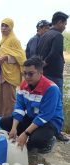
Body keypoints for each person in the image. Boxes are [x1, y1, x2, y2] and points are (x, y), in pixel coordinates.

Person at [0, 56, 63, 153]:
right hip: (32, 117)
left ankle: (49, 140)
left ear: (40, 73)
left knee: (36, 141)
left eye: (31, 74)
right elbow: (19, 107)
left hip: (49, 121)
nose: (27, 77)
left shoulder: (51, 89)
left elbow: (45, 116)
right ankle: (27, 134)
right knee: (4, 122)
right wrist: (13, 128)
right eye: (24, 74)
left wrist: (26, 133)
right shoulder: (24, 85)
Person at [36, 11, 69, 141]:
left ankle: (43, 127)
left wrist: (41, 66)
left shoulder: (44, 35)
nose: (65, 27)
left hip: (44, 76)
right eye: (65, 24)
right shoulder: (58, 36)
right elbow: (55, 53)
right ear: (59, 22)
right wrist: (44, 63)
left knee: (44, 102)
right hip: (54, 76)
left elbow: (38, 53)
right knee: (57, 104)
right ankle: (56, 132)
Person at [0, 18, 26, 117]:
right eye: (2, 26)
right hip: (3, 74)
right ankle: (2, 120)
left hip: (11, 75)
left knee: (10, 100)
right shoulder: (2, 40)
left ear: (11, 27)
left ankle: (10, 123)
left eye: (6, 26)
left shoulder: (14, 40)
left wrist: (7, 57)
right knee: (3, 99)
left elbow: (21, 57)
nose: (3, 28)